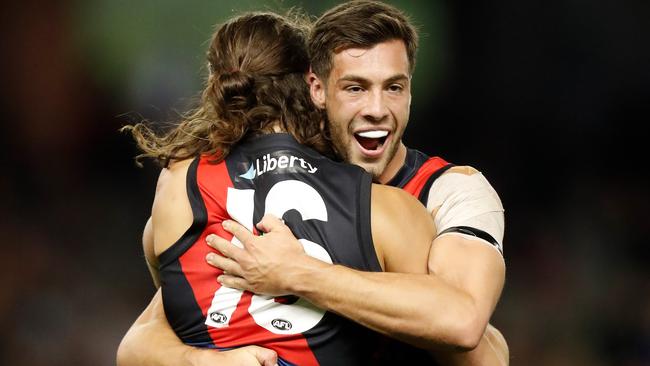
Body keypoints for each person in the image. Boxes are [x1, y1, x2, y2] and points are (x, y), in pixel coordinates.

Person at [118, 1, 509, 365]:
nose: (376, 109)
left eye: (393, 87)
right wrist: (210, 361)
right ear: (314, 90)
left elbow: (467, 331)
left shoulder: (452, 192)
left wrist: (299, 273)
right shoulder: (376, 210)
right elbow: (143, 338)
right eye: (355, 88)